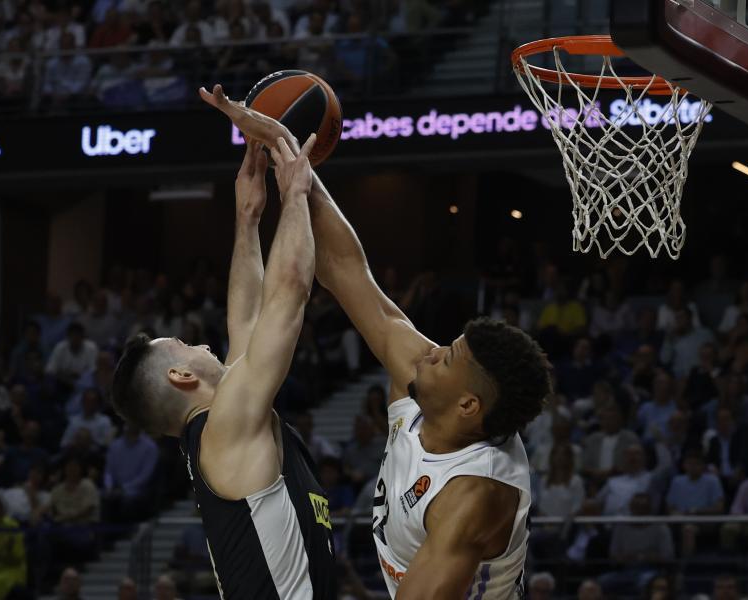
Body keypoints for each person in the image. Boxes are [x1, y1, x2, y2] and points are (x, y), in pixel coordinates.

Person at [205, 85, 551, 598]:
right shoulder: (427, 381)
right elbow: (346, 272)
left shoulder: (474, 496)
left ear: (468, 404)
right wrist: (284, 149)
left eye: (447, 356)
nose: (429, 350)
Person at [110, 136, 336, 598]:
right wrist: (294, 192)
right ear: (182, 376)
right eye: (185, 344)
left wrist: (248, 218)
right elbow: (289, 291)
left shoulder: (221, 430)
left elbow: (248, 320)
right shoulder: (226, 428)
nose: (204, 343)